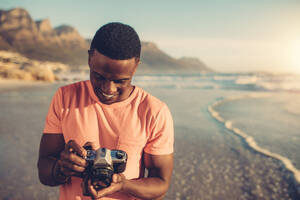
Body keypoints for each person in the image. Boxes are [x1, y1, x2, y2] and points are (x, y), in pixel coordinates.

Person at [37, 22, 174, 200]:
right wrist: (61, 169)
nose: (108, 89)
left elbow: (161, 183)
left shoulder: (154, 112)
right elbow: (44, 170)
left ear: (136, 66)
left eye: (120, 81)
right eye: (99, 76)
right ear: (89, 58)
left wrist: (125, 185)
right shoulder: (65, 97)